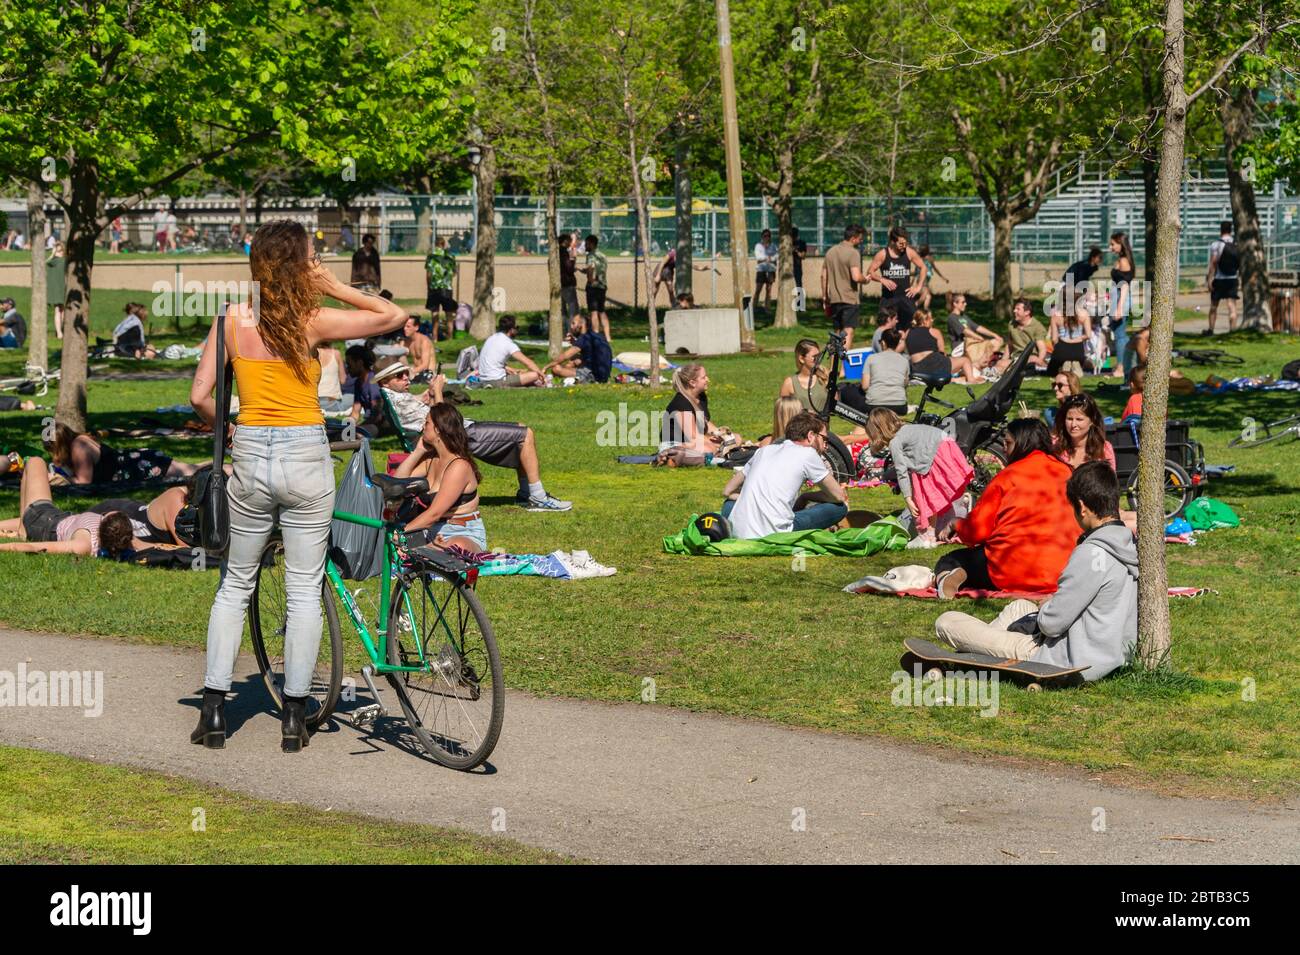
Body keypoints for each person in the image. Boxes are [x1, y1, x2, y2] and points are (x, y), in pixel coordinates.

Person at [188, 218, 407, 753]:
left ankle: (214, 710)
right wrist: (331, 284)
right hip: (306, 452)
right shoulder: (311, 321)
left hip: (254, 453)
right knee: (304, 587)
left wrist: (233, 424)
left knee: (235, 584)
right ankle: (292, 716)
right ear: (300, 264)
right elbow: (392, 315)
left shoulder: (234, 319)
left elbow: (199, 395)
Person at [934, 461, 1137, 682]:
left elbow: (1051, 624)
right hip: (1108, 653)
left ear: (1082, 507)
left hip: (1061, 659)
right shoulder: (1128, 546)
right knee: (1019, 607)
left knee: (946, 622)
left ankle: (971, 656)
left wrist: (1048, 606)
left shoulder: (1091, 553)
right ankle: (977, 652)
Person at [386, 369, 572, 511]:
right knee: (525, 434)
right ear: (384, 382)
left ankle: (526, 493)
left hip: (464, 428)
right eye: (398, 376)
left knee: (520, 428)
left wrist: (431, 395)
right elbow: (442, 424)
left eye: (405, 374)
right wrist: (438, 392)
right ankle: (537, 496)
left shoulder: (397, 398)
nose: (406, 378)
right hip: (462, 433)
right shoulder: (400, 401)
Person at [932, 418, 1077, 596]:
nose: (1005, 450)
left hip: (1010, 570)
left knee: (951, 559)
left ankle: (949, 576)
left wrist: (956, 523)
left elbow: (976, 532)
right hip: (1064, 570)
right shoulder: (1067, 472)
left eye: (1008, 443)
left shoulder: (1007, 476)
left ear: (1023, 443)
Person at [721, 412, 848, 538]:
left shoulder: (764, 450)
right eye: (824, 439)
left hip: (739, 531)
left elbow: (727, 491)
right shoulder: (808, 453)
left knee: (729, 503)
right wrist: (807, 496)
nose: (825, 446)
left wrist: (749, 499)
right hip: (775, 532)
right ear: (811, 436)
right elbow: (839, 496)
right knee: (840, 508)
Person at [0, 456, 144, 559]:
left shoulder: (83, 545)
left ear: (104, 522)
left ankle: (23, 529)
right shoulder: (125, 540)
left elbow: (35, 547)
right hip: (58, 517)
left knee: (35, 462)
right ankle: (22, 527)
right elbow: (150, 545)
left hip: (41, 521)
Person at [865, 409, 972, 542]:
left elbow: (901, 471)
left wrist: (908, 498)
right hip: (946, 445)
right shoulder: (907, 429)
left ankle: (928, 534)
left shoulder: (895, 442)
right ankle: (953, 515)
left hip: (934, 454)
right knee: (939, 491)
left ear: (877, 431)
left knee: (926, 494)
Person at [393, 403, 487, 553]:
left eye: (427, 423)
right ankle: (425, 550)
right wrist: (417, 451)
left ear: (438, 429)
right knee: (388, 548)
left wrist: (402, 533)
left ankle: (424, 551)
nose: (422, 427)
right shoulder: (431, 460)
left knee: (455, 548)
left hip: (462, 533)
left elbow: (434, 513)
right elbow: (397, 484)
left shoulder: (459, 466)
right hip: (430, 531)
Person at [45, 423, 196, 485]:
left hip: (139, 466)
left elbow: (84, 481)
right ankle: (218, 466)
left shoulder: (79, 448)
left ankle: (219, 467)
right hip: (138, 459)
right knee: (193, 468)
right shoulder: (80, 439)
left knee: (192, 472)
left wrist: (60, 479)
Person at [661, 363, 741, 453]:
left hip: (694, 440)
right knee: (709, 449)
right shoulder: (681, 403)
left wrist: (721, 435)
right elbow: (692, 436)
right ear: (692, 383)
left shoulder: (700, 397)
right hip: (675, 444)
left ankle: (720, 451)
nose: (708, 380)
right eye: (704, 377)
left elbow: (705, 422)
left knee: (736, 438)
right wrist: (717, 442)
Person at [866, 225, 926, 331]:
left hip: (906, 299)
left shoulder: (909, 252)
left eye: (905, 243)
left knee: (914, 327)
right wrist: (882, 279)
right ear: (893, 241)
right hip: (889, 300)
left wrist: (918, 287)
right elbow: (870, 272)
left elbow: (923, 267)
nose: (904, 245)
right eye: (901, 243)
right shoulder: (882, 254)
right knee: (886, 330)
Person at [822, 224, 867, 349]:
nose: (861, 241)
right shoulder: (853, 253)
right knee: (848, 332)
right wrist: (866, 280)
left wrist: (825, 297)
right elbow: (856, 277)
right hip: (849, 299)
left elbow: (823, 276)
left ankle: (832, 366)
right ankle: (843, 368)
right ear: (853, 238)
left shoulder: (830, 252)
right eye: (860, 238)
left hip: (835, 300)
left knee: (836, 334)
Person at [907, 309, 978, 384]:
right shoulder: (934, 331)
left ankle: (953, 380)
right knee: (965, 360)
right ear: (925, 320)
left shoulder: (908, 332)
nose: (932, 320)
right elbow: (942, 353)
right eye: (930, 318)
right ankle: (971, 381)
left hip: (917, 369)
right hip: (934, 366)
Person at [946, 291, 1007, 374]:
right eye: (963, 302)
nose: (965, 304)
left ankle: (985, 365)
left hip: (972, 344)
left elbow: (978, 327)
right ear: (955, 304)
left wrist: (995, 335)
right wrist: (979, 338)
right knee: (990, 345)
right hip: (960, 347)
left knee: (997, 341)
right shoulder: (952, 318)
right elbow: (965, 331)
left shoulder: (964, 316)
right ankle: (983, 366)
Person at [1053, 392, 1116, 471]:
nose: (1073, 425)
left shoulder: (1104, 449)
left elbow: (1110, 481)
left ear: (1092, 421)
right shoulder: (1054, 446)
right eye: (1069, 419)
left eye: (1079, 419)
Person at [542, 312, 612, 383]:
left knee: (556, 369)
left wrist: (546, 367)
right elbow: (589, 351)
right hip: (603, 374)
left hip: (594, 375)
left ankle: (587, 379)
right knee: (575, 359)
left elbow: (565, 356)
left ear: (581, 324)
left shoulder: (583, 338)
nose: (571, 326)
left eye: (573, 323)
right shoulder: (595, 335)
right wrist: (574, 342)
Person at [478, 314, 545, 387]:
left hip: (483, 380)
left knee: (521, 373)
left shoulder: (491, 338)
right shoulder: (508, 343)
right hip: (497, 381)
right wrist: (542, 375)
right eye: (517, 327)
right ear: (511, 330)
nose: (517, 330)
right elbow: (528, 362)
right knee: (534, 375)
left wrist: (514, 370)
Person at [861, 327, 910, 416]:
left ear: (883, 342)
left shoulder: (871, 358)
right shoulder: (904, 360)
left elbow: (865, 386)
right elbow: (905, 384)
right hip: (899, 404)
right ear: (898, 343)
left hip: (875, 404)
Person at [1108, 231, 1135, 380]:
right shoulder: (1122, 259)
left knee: (1120, 335)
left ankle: (1122, 366)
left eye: (1113, 244)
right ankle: (1122, 364)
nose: (1110, 247)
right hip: (1116, 296)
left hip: (1121, 298)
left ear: (1121, 244)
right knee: (1118, 333)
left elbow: (1124, 286)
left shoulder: (1124, 261)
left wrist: (1119, 307)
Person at [779, 338, 830, 414]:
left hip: (822, 425)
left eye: (819, 356)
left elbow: (835, 405)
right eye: (814, 357)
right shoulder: (789, 383)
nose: (819, 359)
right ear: (801, 359)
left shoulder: (825, 377)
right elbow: (782, 413)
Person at [1206, 220, 1239, 334]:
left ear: (1221, 230)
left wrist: (1209, 279)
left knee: (1214, 306)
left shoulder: (1216, 244)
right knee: (1232, 306)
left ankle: (1211, 330)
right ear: (1231, 230)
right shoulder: (1236, 244)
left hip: (1219, 279)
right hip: (1232, 278)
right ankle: (1232, 330)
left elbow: (1213, 263)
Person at [1048, 300, 1094, 378]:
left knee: (1051, 371)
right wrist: (1078, 338)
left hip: (1062, 348)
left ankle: (1064, 366)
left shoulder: (1056, 315)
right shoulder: (1084, 314)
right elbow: (1088, 335)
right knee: (1077, 359)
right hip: (1078, 351)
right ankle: (1074, 366)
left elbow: (1054, 339)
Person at [424, 235, 457, 340]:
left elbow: (428, 274)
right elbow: (454, 273)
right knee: (449, 314)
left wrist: (429, 286)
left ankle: (435, 338)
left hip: (434, 288)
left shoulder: (431, 256)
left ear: (435, 244)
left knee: (435, 314)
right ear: (443, 244)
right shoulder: (451, 256)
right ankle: (450, 337)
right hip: (447, 288)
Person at [343, 343, 383, 425]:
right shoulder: (358, 382)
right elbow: (355, 413)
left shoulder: (373, 381)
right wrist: (347, 427)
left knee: (356, 434)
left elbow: (377, 415)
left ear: (360, 363)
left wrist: (359, 428)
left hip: (379, 424)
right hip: (370, 422)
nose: (347, 368)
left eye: (349, 365)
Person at [1008, 297, 1050, 372]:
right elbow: (1009, 345)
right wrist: (1004, 359)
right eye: (1014, 308)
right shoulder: (1011, 324)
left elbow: (1042, 349)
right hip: (1016, 357)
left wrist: (1039, 361)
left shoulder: (1037, 326)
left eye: (1018, 309)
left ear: (1027, 312)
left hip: (1030, 357)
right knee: (1000, 364)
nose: (1014, 311)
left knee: (1031, 360)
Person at [583, 234, 610, 340]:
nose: (585, 245)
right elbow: (600, 269)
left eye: (587, 244)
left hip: (593, 287)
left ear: (592, 244)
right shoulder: (602, 255)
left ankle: (596, 335)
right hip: (602, 285)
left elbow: (591, 267)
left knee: (594, 312)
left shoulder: (591, 255)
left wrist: (590, 280)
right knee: (602, 311)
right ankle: (608, 336)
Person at [1061, 246, 1103, 313]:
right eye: (1099, 258)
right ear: (1093, 258)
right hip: (1067, 284)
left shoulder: (1092, 266)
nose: (1101, 260)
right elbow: (1081, 282)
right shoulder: (1085, 266)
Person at [316, 344, 351, 414]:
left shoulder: (312, 353)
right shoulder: (336, 353)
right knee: (352, 396)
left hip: (315, 401)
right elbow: (343, 380)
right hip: (332, 401)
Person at [402, 314, 436, 381]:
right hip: (415, 373)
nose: (405, 329)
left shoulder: (424, 341)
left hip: (427, 374)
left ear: (416, 327)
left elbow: (425, 365)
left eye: (408, 326)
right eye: (404, 326)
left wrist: (409, 372)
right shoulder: (406, 341)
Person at [559, 233, 581, 327]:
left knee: (562, 309)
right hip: (567, 283)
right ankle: (571, 331)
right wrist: (573, 259)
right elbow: (569, 268)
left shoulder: (556, 252)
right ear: (565, 241)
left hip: (559, 283)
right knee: (573, 308)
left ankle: (563, 332)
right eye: (569, 241)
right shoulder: (563, 252)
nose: (570, 243)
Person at [915, 245, 945, 311]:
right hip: (924, 279)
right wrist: (942, 277)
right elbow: (935, 269)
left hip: (920, 279)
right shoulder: (930, 258)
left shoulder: (918, 258)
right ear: (927, 251)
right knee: (924, 296)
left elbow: (916, 271)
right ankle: (913, 307)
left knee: (928, 296)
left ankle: (926, 309)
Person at [753, 228, 777, 311]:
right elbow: (758, 257)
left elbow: (776, 257)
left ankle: (767, 308)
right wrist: (768, 258)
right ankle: (754, 308)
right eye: (765, 236)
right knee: (758, 289)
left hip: (771, 270)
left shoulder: (773, 246)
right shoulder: (758, 246)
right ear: (762, 236)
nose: (767, 237)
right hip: (761, 270)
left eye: (768, 236)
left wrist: (768, 259)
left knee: (769, 290)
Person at [47, 241, 66, 340]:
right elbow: (47, 261)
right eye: (58, 251)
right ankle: (59, 332)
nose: (59, 253)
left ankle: (61, 330)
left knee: (63, 310)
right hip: (56, 289)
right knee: (58, 310)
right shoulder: (53, 261)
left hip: (63, 287)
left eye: (60, 250)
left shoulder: (65, 261)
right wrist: (52, 253)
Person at [791, 226, 808, 310]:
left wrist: (796, 251)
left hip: (797, 266)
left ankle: (800, 305)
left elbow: (803, 256)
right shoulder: (787, 243)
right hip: (789, 267)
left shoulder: (801, 243)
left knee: (798, 284)